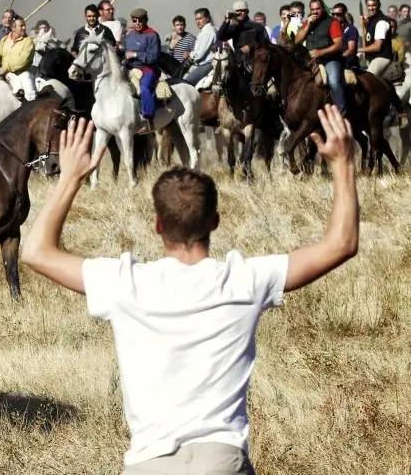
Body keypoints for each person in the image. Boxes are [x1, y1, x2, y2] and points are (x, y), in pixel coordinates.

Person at [21, 103, 359, 475]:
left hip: (149, 463)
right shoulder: (243, 280)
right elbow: (340, 245)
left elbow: (36, 251)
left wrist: (70, 179)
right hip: (222, 461)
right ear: (214, 221)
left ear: (157, 226)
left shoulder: (125, 283)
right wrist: (343, 165)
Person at [294, 0, 345, 116]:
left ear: (323, 9)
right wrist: (307, 26)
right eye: (312, 9)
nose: (315, 12)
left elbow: (339, 44)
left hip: (330, 59)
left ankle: (341, 113)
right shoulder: (308, 23)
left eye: (318, 9)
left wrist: (320, 52)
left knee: (334, 82)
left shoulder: (332, 22)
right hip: (311, 60)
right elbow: (297, 40)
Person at [123, 8, 161, 134]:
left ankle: (148, 120)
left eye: (141, 20)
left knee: (145, 88)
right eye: (135, 20)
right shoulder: (129, 36)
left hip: (148, 69)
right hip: (130, 68)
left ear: (146, 20)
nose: (138, 23)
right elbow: (124, 53)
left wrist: (134, 55)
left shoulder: (153, 35)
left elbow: (153, 57)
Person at [0, 16, 36, 101]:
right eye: (21, 26)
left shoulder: (28, 42)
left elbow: (22, 61)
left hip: (22, 74)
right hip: (6, 74)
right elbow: (0, 58)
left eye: (24, 25)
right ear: (13, 28)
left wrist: (6, 68)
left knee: (30, 95)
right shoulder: (4, 40)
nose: (24, 28)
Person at [359, 0, 393, 77]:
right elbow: (369, 37)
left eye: (374, 5)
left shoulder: (381, 22)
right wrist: (365, 25)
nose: (371, 8)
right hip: (371, 57)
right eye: (369, 6)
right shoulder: (371, 20)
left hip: (381, 57)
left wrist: (358, 50)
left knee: (368, 79)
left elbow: (377, 46)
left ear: (379, 6)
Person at [184, 8, 218, 86]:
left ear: (207, 18)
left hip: (206, 64)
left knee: (185, 84)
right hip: (205, 64)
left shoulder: (206, 32)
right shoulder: (211, 30)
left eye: (200, 19)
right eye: (196, 19)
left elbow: (199, 55)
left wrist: (189, 54)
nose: (197, 22)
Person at [333, 3, 360, 70]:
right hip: (335, 60)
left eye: (338, 14)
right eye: (333, 14)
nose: (335, 17)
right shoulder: (332, 29)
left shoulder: (351, 29)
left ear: (345, 14)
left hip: (348, 61)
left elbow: (351, 49)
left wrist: (340, 58)